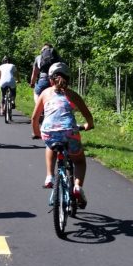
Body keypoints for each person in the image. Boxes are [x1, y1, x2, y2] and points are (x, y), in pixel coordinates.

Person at [31, 62, 95, 208]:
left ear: (50, 79)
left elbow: (35, 118)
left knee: (50, 145)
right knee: (79, 161)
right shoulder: (72, 95)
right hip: (69, 131)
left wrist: (36, 133)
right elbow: (87, 115)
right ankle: (77, 187)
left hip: (48, 131)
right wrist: (88, 125)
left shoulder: (45, 93)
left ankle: (49, 176)